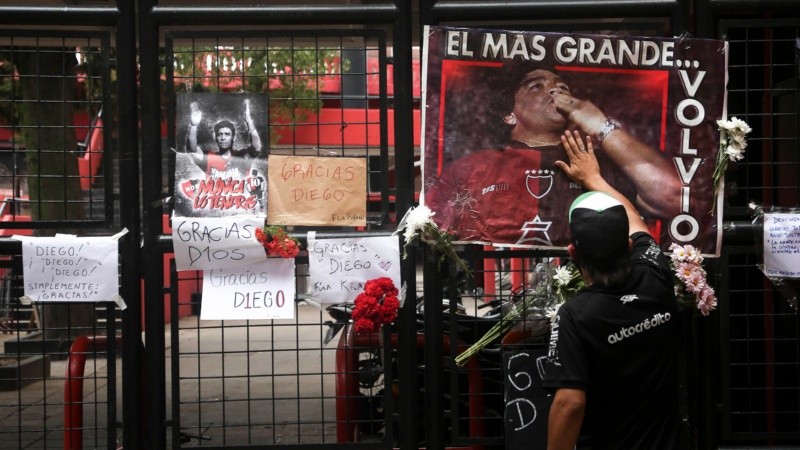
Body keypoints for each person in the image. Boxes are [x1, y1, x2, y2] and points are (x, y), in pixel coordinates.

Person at [423, 61, 681, 247]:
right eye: (536, 86)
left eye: (563, 87)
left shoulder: (599, 162)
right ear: (509, 115)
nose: (556, 91)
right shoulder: (472, 167)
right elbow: (432, 233)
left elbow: (672, 197)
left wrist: (600, 124)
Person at [541, 130, 685, 449]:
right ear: (629, 246)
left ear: (572, 253)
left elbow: (570, 403)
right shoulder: (656, 277)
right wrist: (594, 176)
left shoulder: (575, 317)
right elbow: (635, 219)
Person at [185, 98, 263, 179]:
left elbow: (256, 147)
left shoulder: (242, 156)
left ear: (233, 137)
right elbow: (192, 149)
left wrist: (249, 121)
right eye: (219, 134)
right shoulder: (209, 157)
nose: (223, 138)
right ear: (215, 138)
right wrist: (193, 126)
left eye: (227, 134)